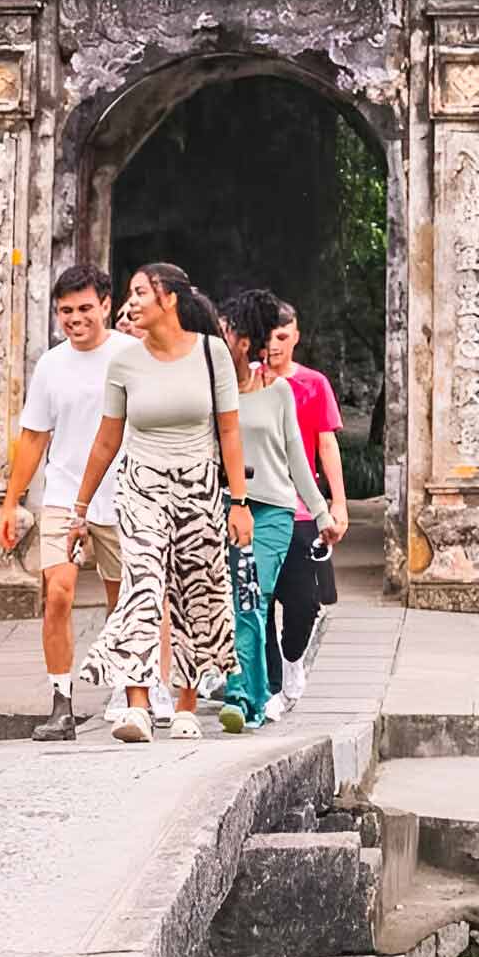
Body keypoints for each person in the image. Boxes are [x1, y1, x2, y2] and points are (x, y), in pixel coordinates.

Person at [58, 263, 249, 742]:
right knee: (142, 586)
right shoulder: (124, 363)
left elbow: (228, 429)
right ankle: (137, 704)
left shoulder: (211, 355)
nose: (131, 302)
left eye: (141, 292)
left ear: (169, 299)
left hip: (199, 486)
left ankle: (186, 704)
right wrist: (79, 509)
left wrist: (240, 502)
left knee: (195, 592)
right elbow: (106, 440)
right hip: (141, 485)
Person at [0, 264, 119, 740]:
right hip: (64, 494)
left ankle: (129, 696)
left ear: (106, 305)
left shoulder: (128, 357)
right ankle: (62, 702)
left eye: (85, 308)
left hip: (120, 496)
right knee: (58, 596)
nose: (75, 318)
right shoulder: (51, 364)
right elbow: (33, 437)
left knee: (121, 600)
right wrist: (11, 504)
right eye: (66, 311)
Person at [215, 288, 329, 724]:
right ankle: (258, 689)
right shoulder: (213, 389)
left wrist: (321, 513)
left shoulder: (279, 391)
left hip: (272, 511)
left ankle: (245, 698)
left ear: (245, 339)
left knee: (253, 596)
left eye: (227, 329)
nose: (219, 335)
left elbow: (297, 457)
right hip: (222, 509)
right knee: (232, 604)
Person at [261, 301, 349, 711]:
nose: (275, 345)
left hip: (299, 508)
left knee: (301, 603)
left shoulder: (313, 384)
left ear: (296, 336)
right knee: (256, 603)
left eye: (283, 336)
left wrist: (338, 503)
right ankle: (270, 686)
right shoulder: (245, 383)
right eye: (269, 336)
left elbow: (325, 444)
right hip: (255, 503)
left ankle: (293, 658)